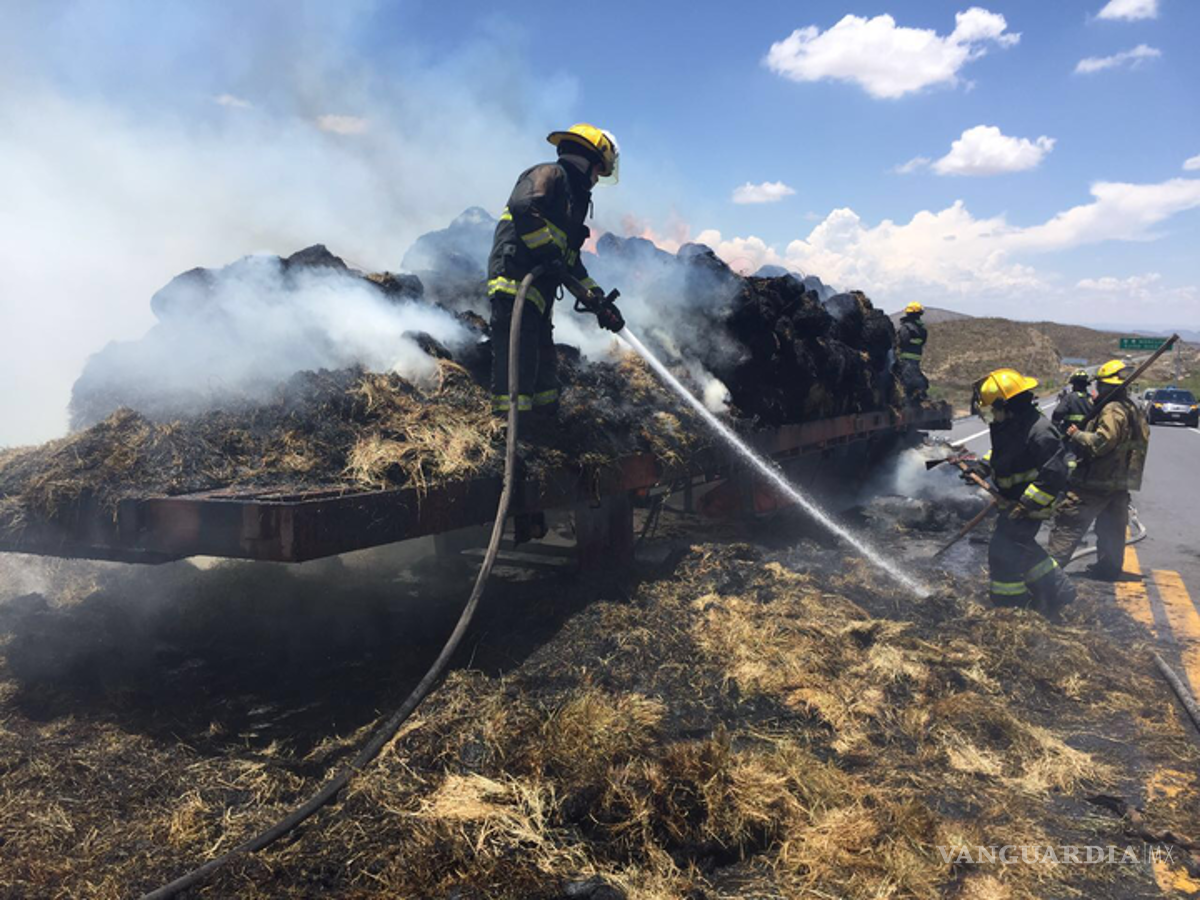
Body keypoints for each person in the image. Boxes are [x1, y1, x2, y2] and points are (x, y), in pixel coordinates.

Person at [487, 123, 625, 422]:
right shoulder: (548, 175)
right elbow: (523, 207)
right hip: (515, 282)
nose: (595, 179)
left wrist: (598, 299)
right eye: (597, 171)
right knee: (519, 365)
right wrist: (547, 254)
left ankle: (544, 427)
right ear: (588, 161)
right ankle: (511, 435)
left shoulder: (572, 202)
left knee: (544, 368)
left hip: (539, 294)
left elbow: (570, 263)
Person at [969, 368, 1076, 614]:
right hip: (1015, 501)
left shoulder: (1040, 431)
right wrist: (981, 468)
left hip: (1032, 504)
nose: (992, 416)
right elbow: (1003, 456)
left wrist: (1026, 504)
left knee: (1002, 553)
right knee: (1023, 547)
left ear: (1008, 405)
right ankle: (1058, 590)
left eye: (994, 410)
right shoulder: (1013, 425)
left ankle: (1010, 607)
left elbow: (1055, 474)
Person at [1048, 359, 1150, 580]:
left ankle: (1047, 574)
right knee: (1111, 528)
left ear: (1105, 386)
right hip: (1119, 482)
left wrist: (1077, 434)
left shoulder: (1112, 409)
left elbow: (1103, 442)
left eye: (1100, 386)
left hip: (1096, 480)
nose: (1096, 390)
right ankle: (1109, 569)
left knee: (1070, 522)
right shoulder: (1132, 408)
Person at [895, 301, 929, 401]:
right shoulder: (922, 330)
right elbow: (921, 343)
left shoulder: (906, 328)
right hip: (916, 359)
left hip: (905, 359)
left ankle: (907, 401)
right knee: (916, 378)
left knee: (906, 382)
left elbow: (901, 342)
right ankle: (919, 396)